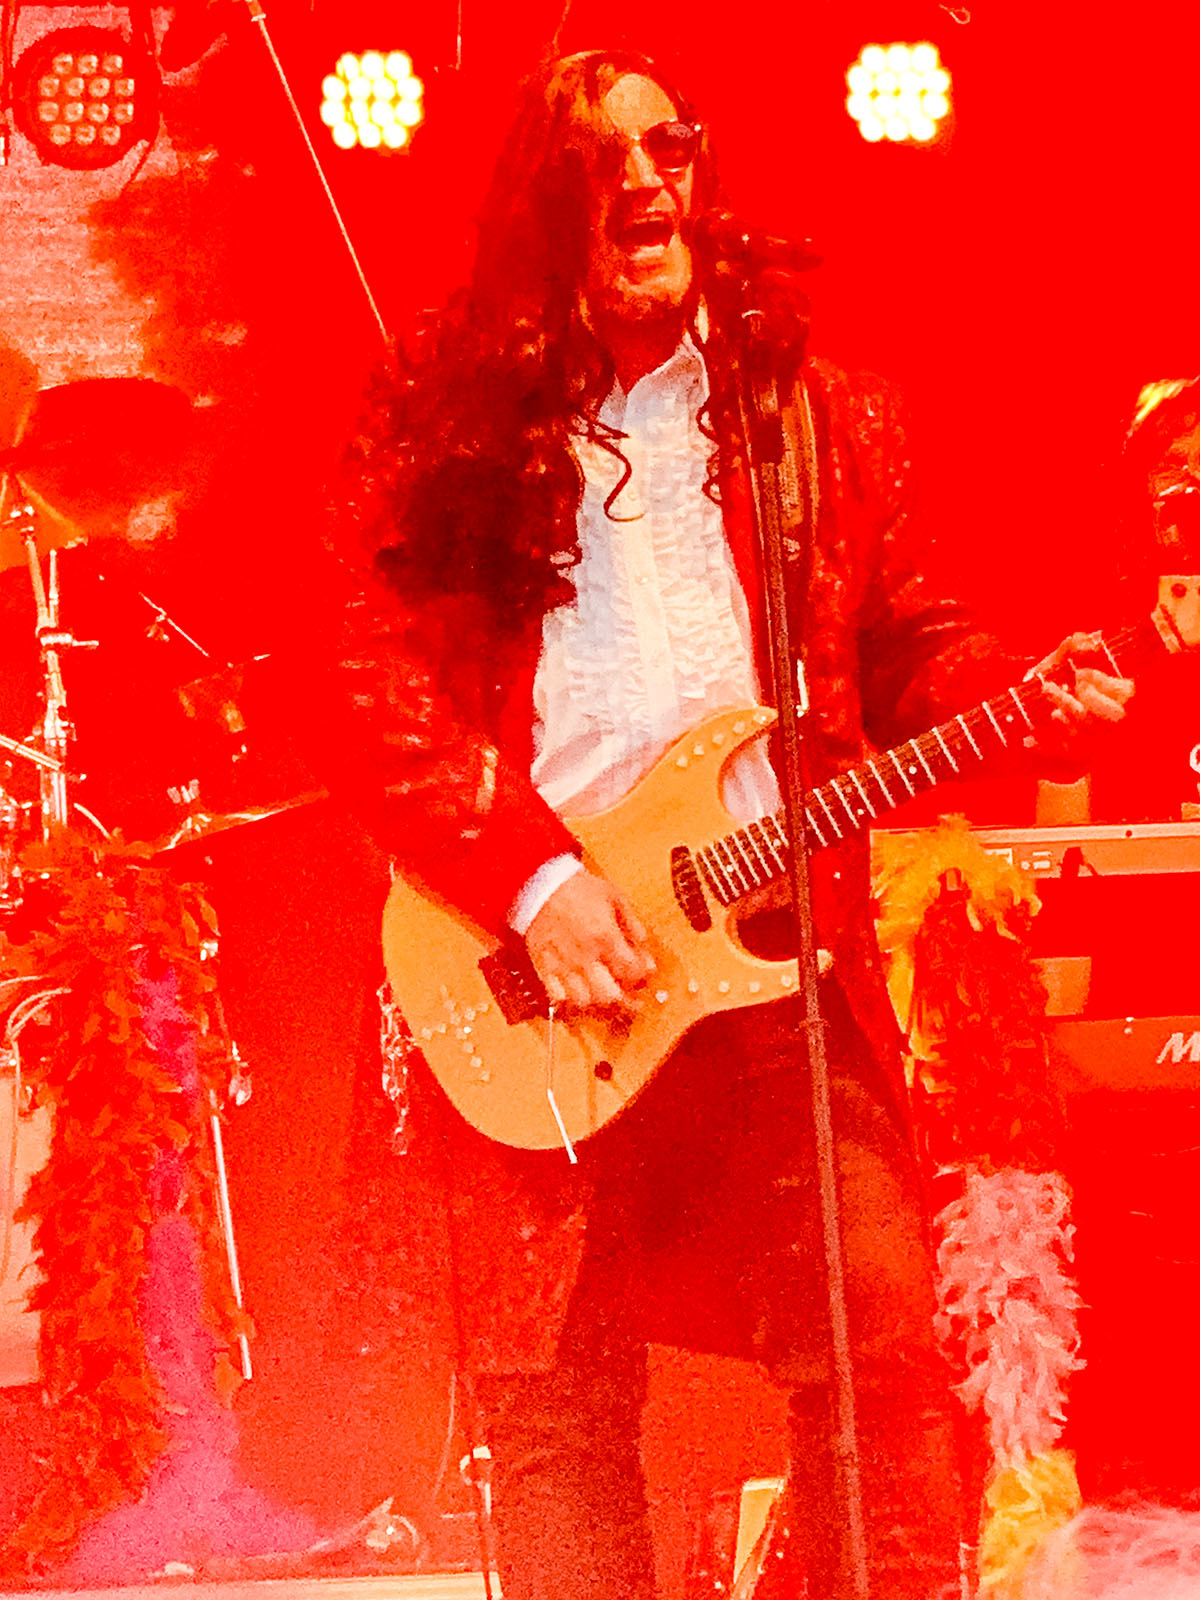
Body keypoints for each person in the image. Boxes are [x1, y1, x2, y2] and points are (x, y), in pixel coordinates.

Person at [307, 49, 1133, 1600]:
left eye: (668, 148)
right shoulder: (449, 423)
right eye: (597, 161)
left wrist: (1022, 695)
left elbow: (914, 641)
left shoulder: (819, 419)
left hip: (773, 963)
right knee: (557, 1410)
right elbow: (357, 679)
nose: (642, 181)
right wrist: (533, 879)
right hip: (539, 966)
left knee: (880, 1351)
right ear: (541, 208)